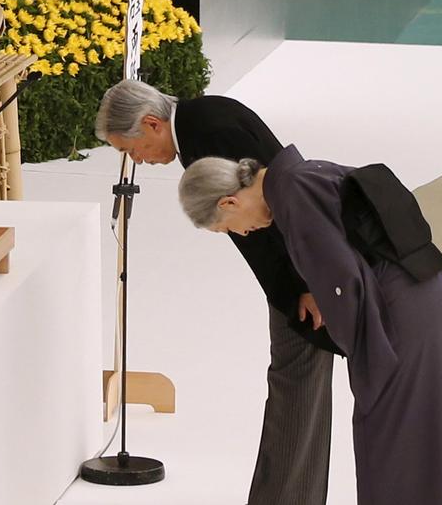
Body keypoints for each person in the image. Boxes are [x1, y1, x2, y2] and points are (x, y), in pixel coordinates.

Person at [95, 79, 336, 505]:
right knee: (298, 392)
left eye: (130, 149)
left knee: (296, 392)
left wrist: (307, 284)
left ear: (151, 123)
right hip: (297, 274)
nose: (136, 160)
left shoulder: (209, 134)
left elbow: (278, 212)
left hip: (299, 278)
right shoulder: (205, 118)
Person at [178, 149, 442, 505]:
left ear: (229, 202)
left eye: (229, 228)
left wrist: (364, 354)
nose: (244, 233)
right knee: (419, 428)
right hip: (420, 288)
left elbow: (343, 282)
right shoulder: (301, 177)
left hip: (398, 308)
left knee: (389, 434)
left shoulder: (293, 195)